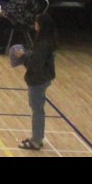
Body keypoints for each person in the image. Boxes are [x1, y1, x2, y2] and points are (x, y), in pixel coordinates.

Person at [17, 15, 57, 151]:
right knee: (37, 109)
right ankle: (37, 137)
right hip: (43, 78)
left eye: (37, 22)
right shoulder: (46, 41)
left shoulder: (43, 44)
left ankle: (36, 141)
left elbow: (35, 65)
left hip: (38, 80)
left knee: (37, 110)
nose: (35, 24)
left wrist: (23, 57)